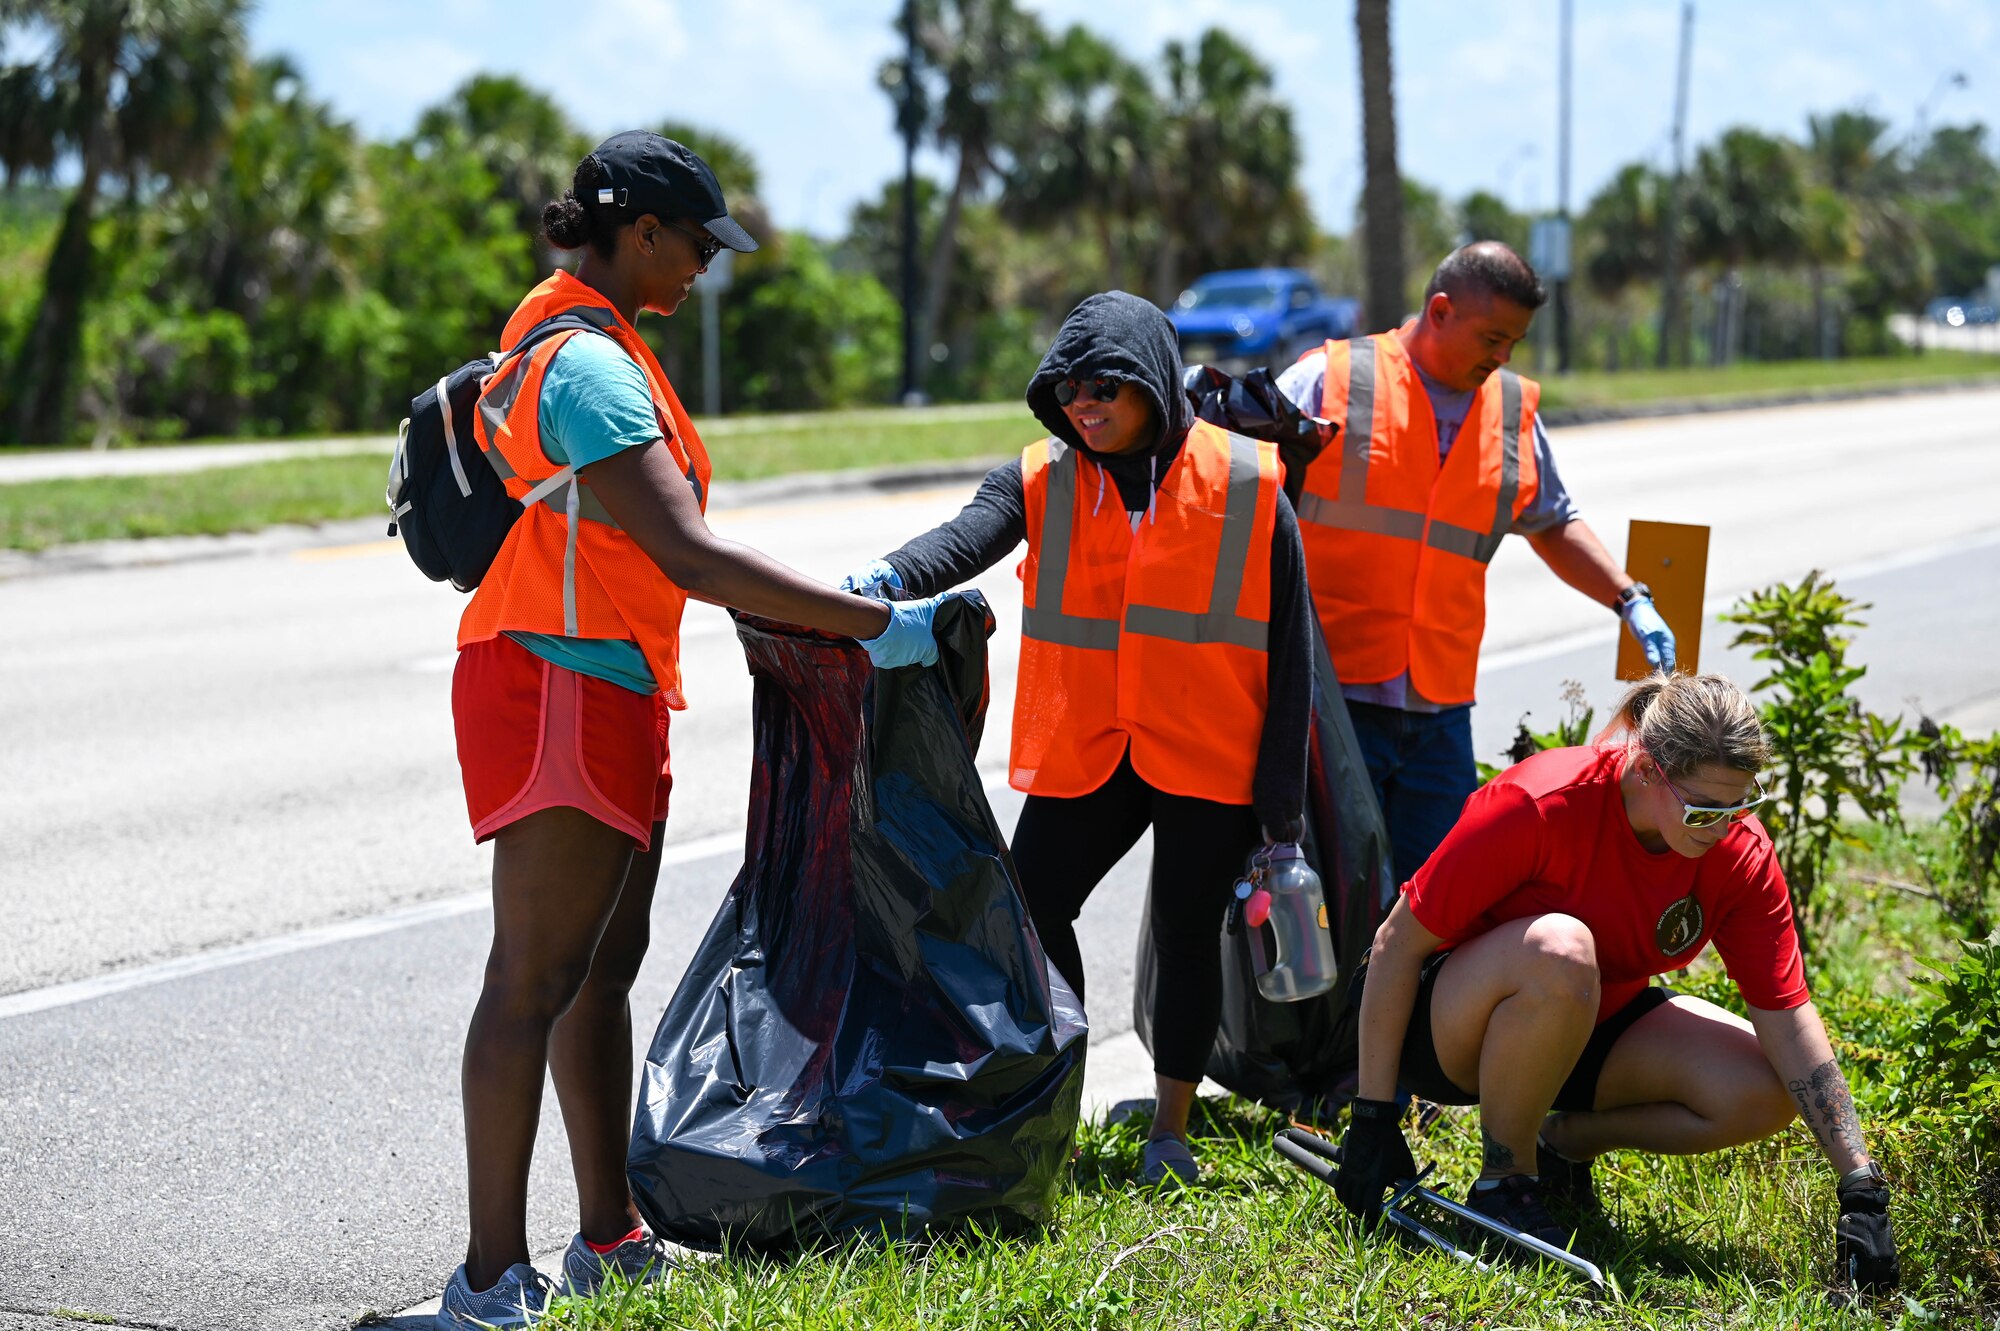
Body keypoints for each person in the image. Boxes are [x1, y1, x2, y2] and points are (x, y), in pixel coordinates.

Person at [438, 132, 951, 1329]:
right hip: (558, 685)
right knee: (532, 975)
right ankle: (485, 1279)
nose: (707, 268)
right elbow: (688, 552)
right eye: (697, 243)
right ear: (642, 231)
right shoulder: (586, 368)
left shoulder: (596, 342)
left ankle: (608, 1234)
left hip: (610, 681)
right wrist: (873, 621)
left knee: (597, 972)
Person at [840, 292, 1314, 1187]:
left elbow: (1293, 655)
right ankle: (1054, 1096)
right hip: (1092, 744)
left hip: (1207, 748)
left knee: (1184, 930)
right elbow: (963, 540)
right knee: (1030, 910)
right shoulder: (1042, 475)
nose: (1084, 405)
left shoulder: (1250, 483)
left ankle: (1169, 1130)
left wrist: (1280, 813)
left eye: (1107, 386)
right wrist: (886, 580)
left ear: (1155, 386)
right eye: (1067, 388)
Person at [1332, 671, 1899, 1292]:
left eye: (1739, 806)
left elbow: (1787, 1016)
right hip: (1442, 1025)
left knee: (1764, 1087)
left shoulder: (1735, 850)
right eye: (1705, 809)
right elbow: (1394, 945)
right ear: (1650, 769)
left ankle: (1565, 1144)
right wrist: (1373, 1117)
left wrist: (1860, 1185)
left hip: (1580, 1021)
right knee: (1562, 949)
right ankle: (1505, 1180)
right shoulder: (1543, 802)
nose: (1721, 828)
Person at [1276, 242, 1676, 888]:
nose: (1503, 358)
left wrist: (1629, 596)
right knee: (1331, 900)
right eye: (1492, 337)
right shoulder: (1332, 380)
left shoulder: (1509, 408)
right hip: (1333, 702)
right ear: (1439, 310)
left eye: (1514, 342)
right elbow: (1242, 492)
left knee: (1432, 903)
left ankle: (1408, 997)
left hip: (1439, 711)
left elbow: (1551, 520)